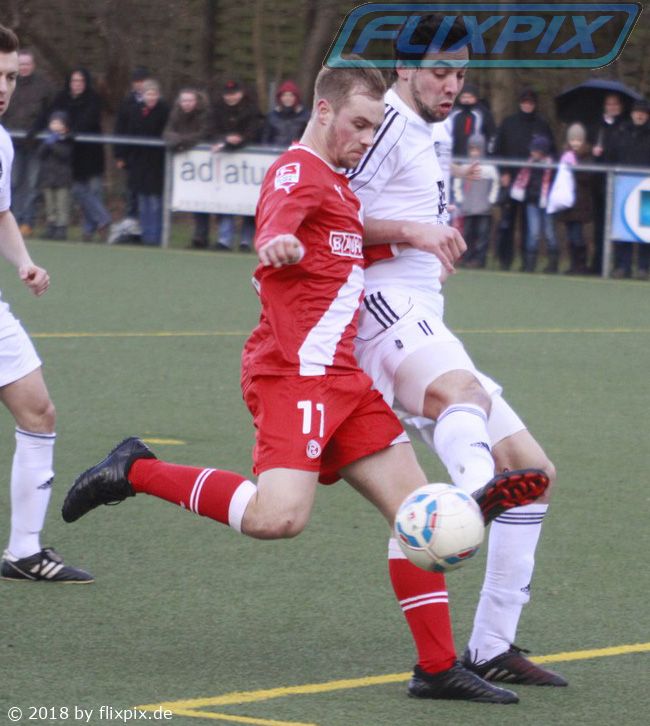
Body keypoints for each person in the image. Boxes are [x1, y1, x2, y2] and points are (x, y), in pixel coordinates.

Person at [61, 61, 549, 704]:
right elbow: (278, 221)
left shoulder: (342, 187)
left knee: (415, 515)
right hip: (293, 375)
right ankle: (136, 470)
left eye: (374, 128)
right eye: (358, 125)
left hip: (343, 379)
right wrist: (277, 243)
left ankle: (435, 668)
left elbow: (347, 246)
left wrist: (414, 239)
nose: (366, 138)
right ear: (322, 111)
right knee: (278, 518)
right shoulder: (299, 170)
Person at [347, 13, 566, 691]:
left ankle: (491, 646)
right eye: (440, 71)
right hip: (381, 309)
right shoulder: (384, 123)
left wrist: (425, 234)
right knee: (461, 398)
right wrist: (413, 232)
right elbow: (334, 216)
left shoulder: (430, 127)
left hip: (421, 313)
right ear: (404, 68)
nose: (453, 84)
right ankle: (467, 500)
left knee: (533, 471)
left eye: (461, 73)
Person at [0, 25, 92, 583]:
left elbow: (1, 212)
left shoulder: (2, 141)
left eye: (11, 77)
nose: (4, 87)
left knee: (38, 410)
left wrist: (24, 262)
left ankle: (24, 551)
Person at [493, 89, 555, 271]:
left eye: (530, 102)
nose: (527, 105)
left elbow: (551, 152)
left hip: (534, 183)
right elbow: (498, 150)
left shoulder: (542, 124)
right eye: (524, 101)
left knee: (530, 225)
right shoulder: (508, 123)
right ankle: (505, 260)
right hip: (512, 180)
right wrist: (503, 172)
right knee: (507, 222)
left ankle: (528, 262)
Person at [50, 67, 112, 242]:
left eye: (80, 81)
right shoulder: (63, 97)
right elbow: (52, 115)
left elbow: (89, 119)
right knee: (78, 191)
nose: (77, 84)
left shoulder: (93, 98)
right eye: (74, 81)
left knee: (94, 191)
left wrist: (71, 130)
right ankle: (103, 220)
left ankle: (88, 231)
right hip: (74, 154)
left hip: (92, 153)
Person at [1, 47, 53, 238]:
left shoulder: (43, 86)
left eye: (27, 64)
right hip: (11, 144)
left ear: (33, 65)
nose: (24, 67)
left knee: (31, 185)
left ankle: (26, 222)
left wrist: (37, 129)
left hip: (33, 144)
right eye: (21, 64)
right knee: (11, 183)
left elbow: (48, 111)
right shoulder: (7, 84)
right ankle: (11, 220)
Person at [212, 79, 262, 252]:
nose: (230, 97)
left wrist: (240, 140)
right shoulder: (218, 110)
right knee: (226, 201)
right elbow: (212, 130)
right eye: (227, 94)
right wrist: (225, 140)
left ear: (240, 93)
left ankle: (245, 241)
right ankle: (224, 239)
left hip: (249, 162)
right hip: (226, 164)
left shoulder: (251, 109)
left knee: (250, 203)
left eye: (233, 94)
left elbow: (255, 131)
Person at [163, 87, 213, 249]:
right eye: (184, 100)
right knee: (189, 198)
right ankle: (196, 236)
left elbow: (203, 134)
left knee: (202, 200)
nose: (187, 103)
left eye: (190, 100)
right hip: (184, 167)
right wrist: (179, 141)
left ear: (196, 101)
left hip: (203, 165)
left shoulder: (204, 115)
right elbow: (167, 133)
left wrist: (181, 141)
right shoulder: (175, 114)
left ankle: (202, 236)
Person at [607, 98, 650, 279]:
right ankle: (622, 266)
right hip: (623, 186)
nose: (640, 115)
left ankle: (643, 268)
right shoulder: (622, 131)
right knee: (622, 226)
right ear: (632, 113)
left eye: (643, 112)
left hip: (646, 188)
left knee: (645, 229)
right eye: (637, 111)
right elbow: (611, 155)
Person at [588, 93, 628, 275]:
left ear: (620, 106)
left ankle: (619, 265)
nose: (611, 107)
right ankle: (598, 264)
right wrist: (594, 152)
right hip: (599, 183)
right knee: (599, 226)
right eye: (608, 104)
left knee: (618, 226)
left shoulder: (625, 127)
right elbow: (587, 149)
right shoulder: (598, 127)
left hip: (619, 183)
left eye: (615, 104)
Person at [128, 79, 170, 246]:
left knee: (154, 201)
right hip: (139, 161)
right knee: (142, 201)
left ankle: (154, 237)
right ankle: (145, 235)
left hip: (157, 162)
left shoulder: (164, 110)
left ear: (158, 95)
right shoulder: (136, 110)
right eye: (148, 94)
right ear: (143, 95)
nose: (150, 97)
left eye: (153, 94)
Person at [509, 134, 558, 273]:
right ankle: (530, 264)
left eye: (535, 150)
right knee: (533, 233)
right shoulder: (529, 164)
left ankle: (553, 264)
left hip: (548, 203)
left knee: (549, 233)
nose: (532, 153)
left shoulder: (552, 166)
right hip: (532, 202)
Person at [453, 134, 498, 268]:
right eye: (472, 149)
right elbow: (457, 184)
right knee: (467, 233)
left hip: (484, 208)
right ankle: (468, 257)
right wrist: (460, 199)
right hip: (468, 207)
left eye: (477, 149)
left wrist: (491, 200)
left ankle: (480, 259)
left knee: (482, 234)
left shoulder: (489, 168)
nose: (474, 153)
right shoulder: (465, 166)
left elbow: (495, 184)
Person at [555, 123, 594, 276]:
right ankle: (573, 264)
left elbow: (588, 177)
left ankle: (581, 264)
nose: (575, 143)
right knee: (570, 235)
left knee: (578, 235)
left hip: (580, 202)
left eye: (578, 140)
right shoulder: (564, 154)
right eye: (572, 140)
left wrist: (575, 167)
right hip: (567, 202)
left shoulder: (587, 156)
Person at [114, 67, 150, 223]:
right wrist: (119, 155)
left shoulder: (156, 103)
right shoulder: (126, 104)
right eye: (137, 82)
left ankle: (147, 224)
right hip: (131, 155)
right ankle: (131, 223)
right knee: (131, 192)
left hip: (149, 156)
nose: (139, 85)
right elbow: (119, 130)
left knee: (147, 192)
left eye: (142, 81)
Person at [37, 110, 73, 240]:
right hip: (48, 177)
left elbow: (65, 155)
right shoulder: (46, 138)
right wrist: (47, 144)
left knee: (61, 204)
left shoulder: (67, 139)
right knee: (50, 205)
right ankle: (50, 227)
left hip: (62, 178)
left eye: (59, 123)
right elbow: (40, 154)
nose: (56, 126)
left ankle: (61, 228)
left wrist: (53, 144)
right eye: (53, 123)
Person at [449, 83, 497, 159]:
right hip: (454, 154)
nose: (466, 100)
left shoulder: (483, 114)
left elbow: (491, 134)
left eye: (469, 97)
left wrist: (489, 152)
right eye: (463, 97)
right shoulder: (453, 113)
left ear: (475, 98)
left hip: (476, 156)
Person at [261, 80, 310, 148]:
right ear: (280, 98)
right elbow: (264, 139)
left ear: (296, 98)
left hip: (297, 152)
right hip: (275, 152)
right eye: (284, 95)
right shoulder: (271, 116)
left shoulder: (305, 116)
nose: (287, 98)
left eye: (291, 95)